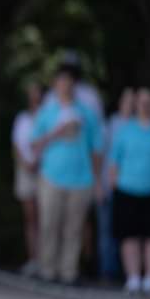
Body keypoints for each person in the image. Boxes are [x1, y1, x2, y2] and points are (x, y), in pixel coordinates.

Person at [30, 65, 103, 284]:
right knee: (49, 224)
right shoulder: (47, 112)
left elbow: (96, 149)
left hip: (81, 178)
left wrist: (97, 180)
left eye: (69, 82)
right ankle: (48, 270)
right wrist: (57, 132)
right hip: (51, 177)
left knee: (74, 228)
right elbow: (34, 145)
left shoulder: (86, 113)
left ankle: (68, 271)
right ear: (55, 86)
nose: (65, 86)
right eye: (61, 82)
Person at [108, 87, 150, 294]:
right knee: (129, 235)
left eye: (148, 102)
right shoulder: (126, 130)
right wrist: (113, 184)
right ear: (136, 105)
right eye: (141, 102)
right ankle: (133, 277)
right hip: (127, 189)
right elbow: (114, 160)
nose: (145, 106)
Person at [98, 87, 136, 281]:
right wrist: (100, 184)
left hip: (130, 188)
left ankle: (127, 273)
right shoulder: (110, 125)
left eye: (133, 102)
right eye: (127, 101)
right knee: (106, 232)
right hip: (108, 186)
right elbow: (100, 156)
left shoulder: (139, 126)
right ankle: (107, 272)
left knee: (127, 232)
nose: (130, 105)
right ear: (120, 102)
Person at [12, 82, 44, 275]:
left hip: (44, 171)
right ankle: (33, 259)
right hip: (26, 170)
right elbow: (16, 145)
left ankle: (46, 260)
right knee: (31, 218)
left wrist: (38, 163)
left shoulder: (48, 116)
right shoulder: (22, 118)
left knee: (45, 218)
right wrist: (26, 164)